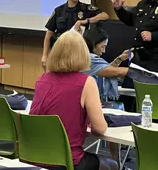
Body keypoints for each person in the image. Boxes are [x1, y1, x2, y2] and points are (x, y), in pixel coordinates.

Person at [30, 31, 118, 170]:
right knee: (112, 165)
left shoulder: (42, 79)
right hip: (66, 160)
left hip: (32, 156)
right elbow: (100, 129)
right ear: (83, 54)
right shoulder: (86, 82)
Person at [42, 0, 109, 70]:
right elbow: (48, 34)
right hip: (60, 52)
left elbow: (105, 15)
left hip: (78, 54)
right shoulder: (59, 11)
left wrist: (87, 20)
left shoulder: (85, 8)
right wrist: (44, 55)